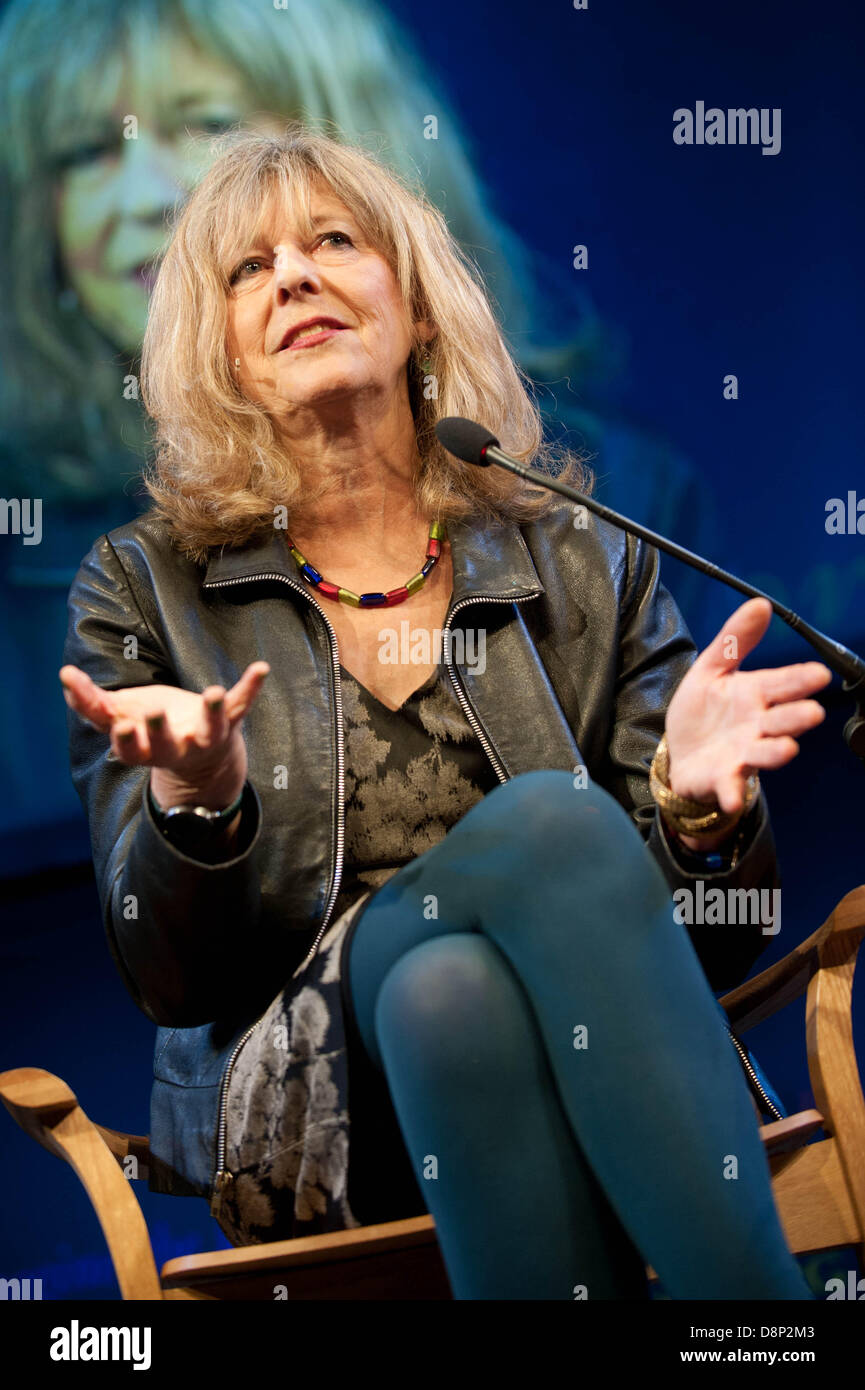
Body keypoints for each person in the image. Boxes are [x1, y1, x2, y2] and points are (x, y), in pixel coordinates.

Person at [60, 127, 829, 1300]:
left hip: (530, 1047)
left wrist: (695, 821)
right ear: (217, 347)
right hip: (312, 1105)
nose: (295, 277)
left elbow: (719, 936)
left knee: (448, 994)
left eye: (332, 241)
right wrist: (200, 810)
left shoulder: (578, 557)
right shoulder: (143, 583)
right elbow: (170, 980)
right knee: (558, 827)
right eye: (247, 269)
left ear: (416, 308)